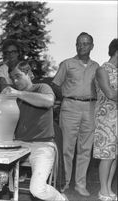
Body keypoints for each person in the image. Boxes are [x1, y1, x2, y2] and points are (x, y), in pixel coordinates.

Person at [1, 61, 68, 201]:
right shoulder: (13, 95)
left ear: (29, 74)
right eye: (12, 78)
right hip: (19, 145)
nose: (15, 80)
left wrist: (18, 93)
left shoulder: (42, 87)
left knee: (37, 190)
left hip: (42, 145)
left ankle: (61, 199)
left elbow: (49, 101)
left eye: (18, 76)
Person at [52, 32, 99, 196]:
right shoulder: (67, 64)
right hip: (70, 106)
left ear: (92, 46)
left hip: (90, 107)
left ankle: (80, 184)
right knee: (67, 147)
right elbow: (56, 84)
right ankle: (63, 182)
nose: (81, 46)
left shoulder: (96, 66)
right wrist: (65, 96)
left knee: (85, 148)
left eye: (85, 43)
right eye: (79, 43)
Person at [93, 38, 117, 201]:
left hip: (117, 118)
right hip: (105, 118)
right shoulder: (102, 70)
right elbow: (110, 94)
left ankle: (108, 188)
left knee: (114, 155)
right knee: (106, 154)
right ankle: (102, 191)